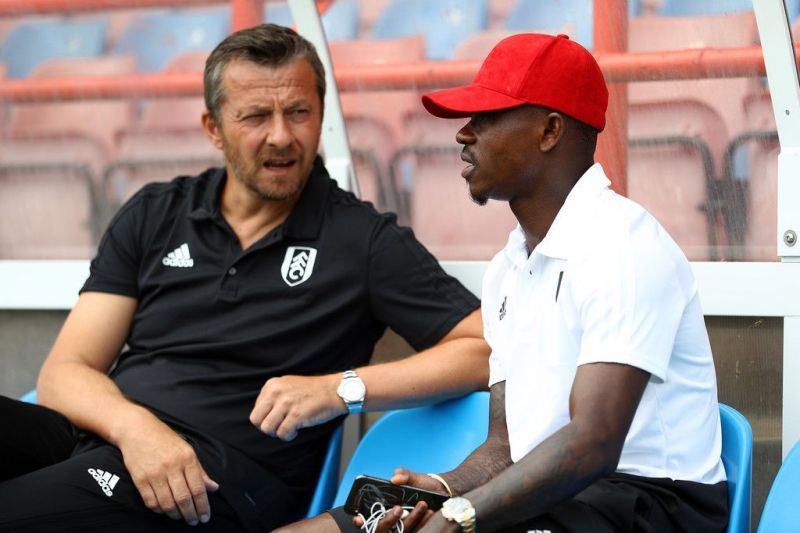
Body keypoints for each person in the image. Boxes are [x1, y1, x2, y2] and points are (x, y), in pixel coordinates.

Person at [0, 24, 490, 532]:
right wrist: (137, 430)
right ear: (213, 127)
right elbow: (64, 373)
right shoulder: (156, 211)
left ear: (320, 116)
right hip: (111, 437)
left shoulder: (361, 239)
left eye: (298, 112)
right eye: (256, 116)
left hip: (210, 486)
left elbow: (484, 350)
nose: (281, 135)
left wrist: (340, 389)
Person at [286, 33, 729, 533]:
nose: (463, 134)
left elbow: (594, 442)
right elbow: (506, 448)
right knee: (335, 527)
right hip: (556, 494)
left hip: (646, 503)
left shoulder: (624, 247)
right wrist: (445, 489)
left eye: (487, 118)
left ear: (549, 131)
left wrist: (464, 515)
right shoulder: (508, 267)